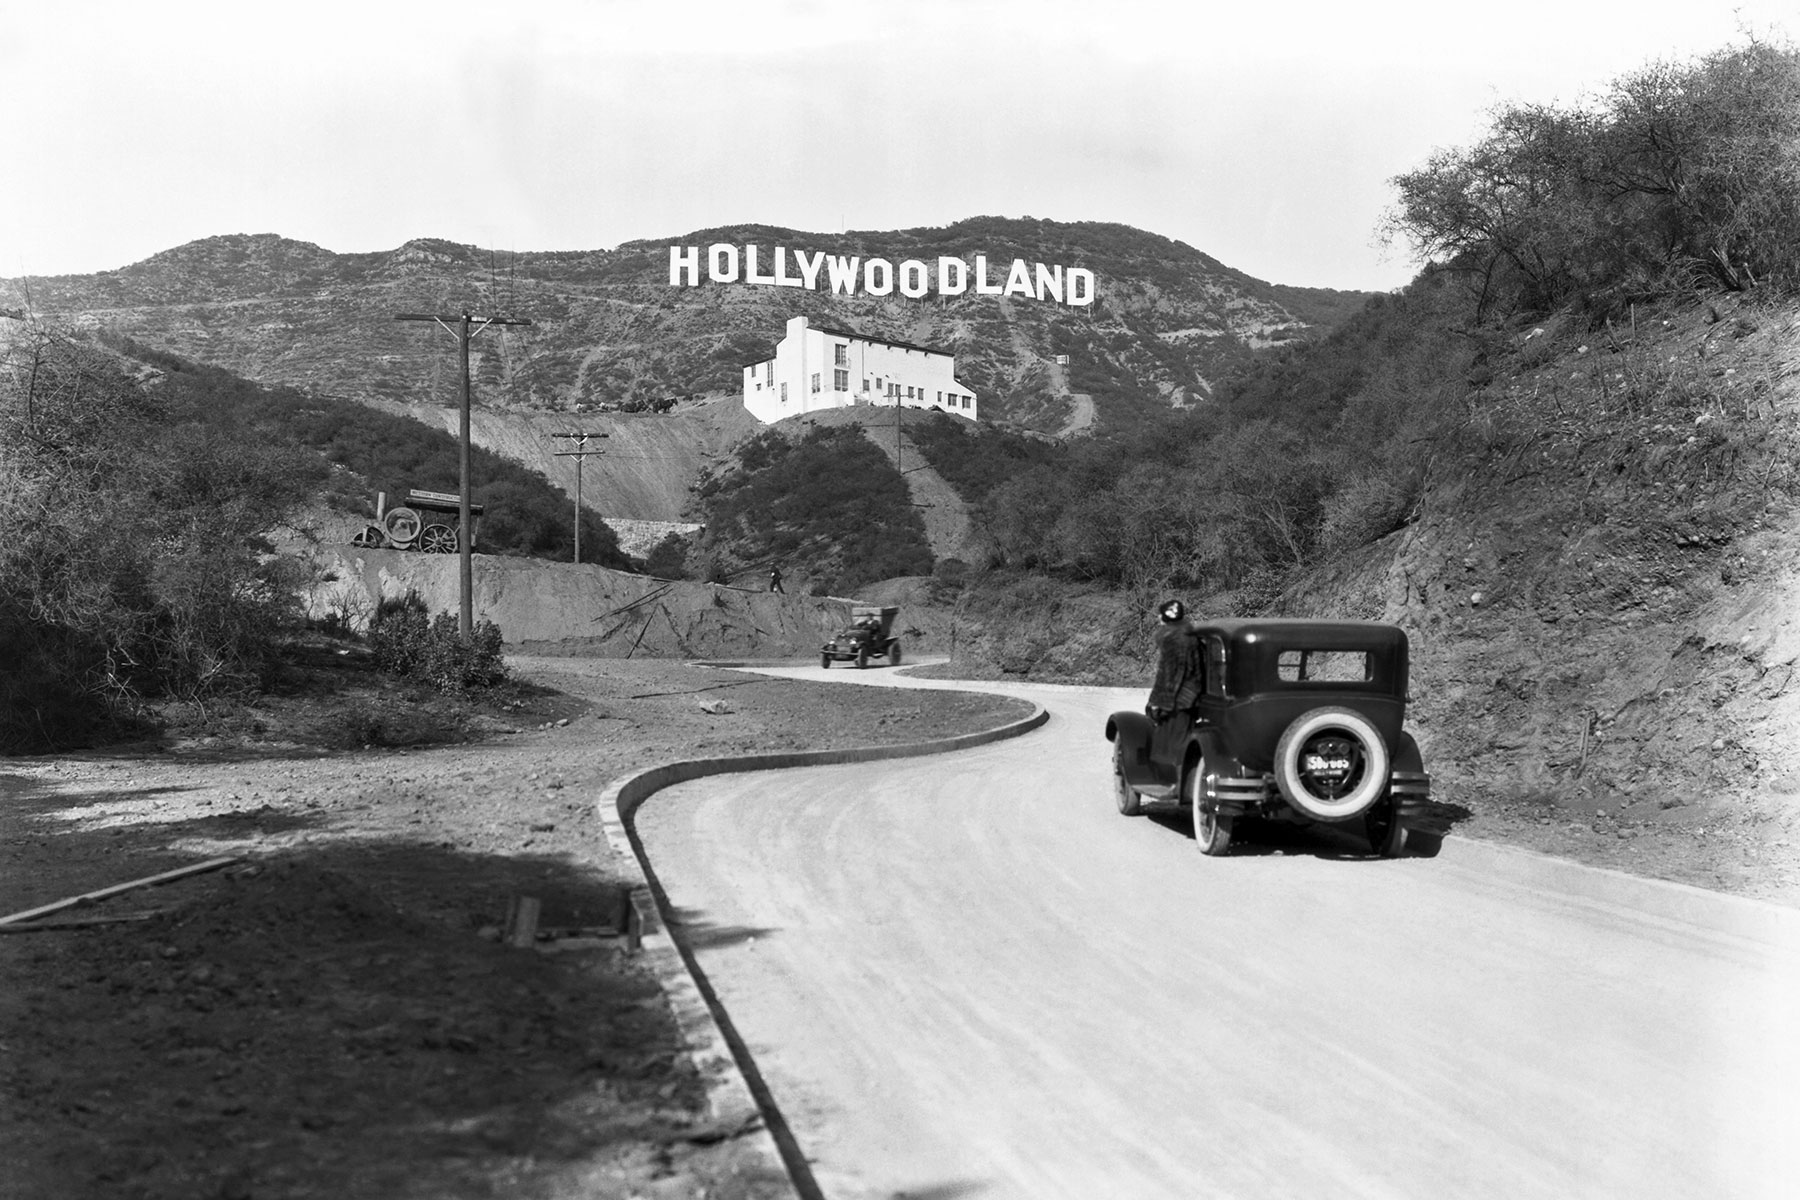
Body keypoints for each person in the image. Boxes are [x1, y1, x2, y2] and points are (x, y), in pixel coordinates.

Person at [1146, 599, 1204, 760]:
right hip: (1191, 697)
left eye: (1160, 615)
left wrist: (1158, 702)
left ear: (1164, 617)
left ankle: (1171, 779)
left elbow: (1170, 674)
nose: (1158, 618)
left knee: (1171, 744)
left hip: (1178, 701)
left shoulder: (1172, 639)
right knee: (1181, 739)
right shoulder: (1190, 635)